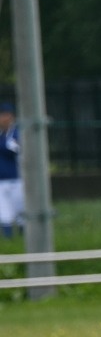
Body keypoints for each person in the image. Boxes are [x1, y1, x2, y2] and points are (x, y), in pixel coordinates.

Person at [0, 102, 24, 238]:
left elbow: (13, 150)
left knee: (20, 211)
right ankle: (9, 240)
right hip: (1, 181)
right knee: (4, 213)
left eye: (5, 115)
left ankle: (24, 238)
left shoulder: (17, 133)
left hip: (17, 180)